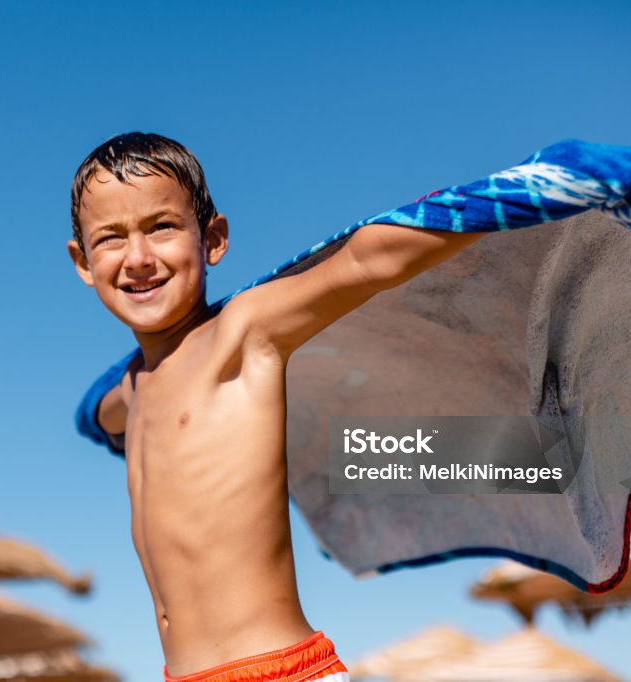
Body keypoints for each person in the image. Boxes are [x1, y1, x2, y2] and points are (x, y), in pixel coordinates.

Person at [67, 132, 481, 681]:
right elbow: (99, 416)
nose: (138, 257)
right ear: (83, 262)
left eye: (161, 227)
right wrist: (94, 412)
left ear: (212, 239)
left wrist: (528, 193)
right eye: (110, 238)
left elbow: (363, 261)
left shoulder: (242, 333)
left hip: (280, 672)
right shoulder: (133, 385)